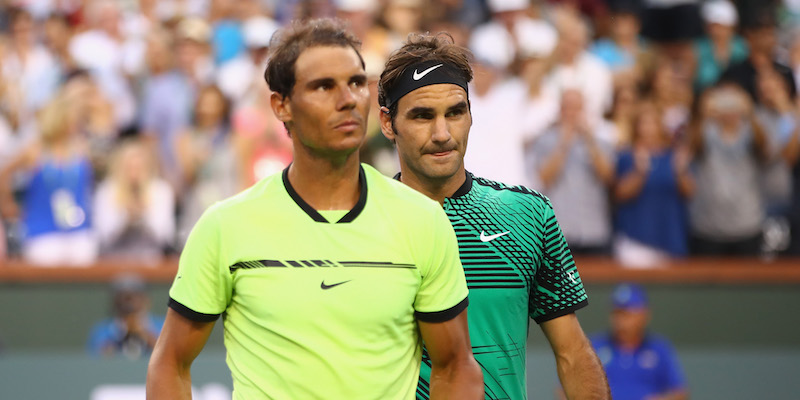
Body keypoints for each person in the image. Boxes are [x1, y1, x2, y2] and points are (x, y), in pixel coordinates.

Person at [147, 19, 483, 399]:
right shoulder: (225, 226)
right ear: (282, 105)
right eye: (324, 86)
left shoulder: (423, 220)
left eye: (356, 82)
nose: (348, 99)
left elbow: (456, 365)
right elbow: (170, 363)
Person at [378, 32, 609, 400]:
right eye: (423, 116)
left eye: (455, 112)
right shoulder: (361, 221)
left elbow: (572, 353)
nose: (442, 134)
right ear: (388, 123)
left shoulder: (529, 213)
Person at [590, 283, 688, 400]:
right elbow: (568, 388)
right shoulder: (595, 347)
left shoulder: (658, 349)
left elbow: (680, 392)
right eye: (616, 313)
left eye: (627, 314)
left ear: (643, 315)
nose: (620, 321)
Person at [87, 274, 165, 359]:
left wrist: (145, 335)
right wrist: (119, 335)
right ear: (115, 301)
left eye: (134, 295)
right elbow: (94, 360)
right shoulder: (101, 330)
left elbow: (169, 357)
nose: (128, 302)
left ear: (145, 299)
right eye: (123, 296)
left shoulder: (163, 327)